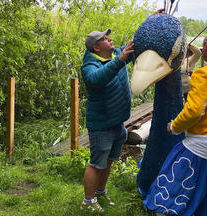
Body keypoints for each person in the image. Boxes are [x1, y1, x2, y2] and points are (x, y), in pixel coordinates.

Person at [143, 32, 207, 215]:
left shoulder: (204, 75)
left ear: (206, 48)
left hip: (200, 144)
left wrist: (174, 126)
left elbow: (194, 111)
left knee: (171, 180)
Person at [80, 28, 134, 212]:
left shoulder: (118, 54)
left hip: (118, 123)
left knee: (109, 160)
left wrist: (152, 19)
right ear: (96, 47)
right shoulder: (89, 66)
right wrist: (120, 61)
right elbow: (96, 79)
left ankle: (100, 192)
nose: (110, 39)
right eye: (104, 38)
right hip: (101, 126)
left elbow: (136, 44)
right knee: (96, 164)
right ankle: (88, 201)